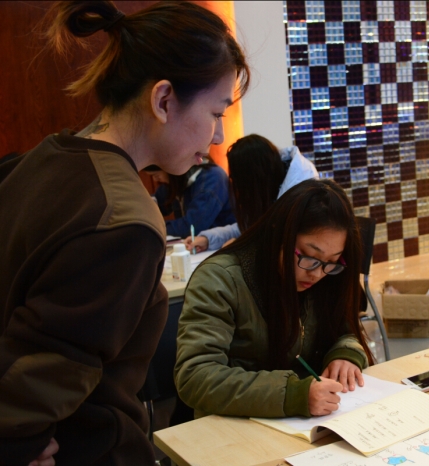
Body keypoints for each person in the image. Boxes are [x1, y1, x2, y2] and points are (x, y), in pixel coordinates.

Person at [0, 1, 248, 465]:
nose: (218, 136)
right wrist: (17, 444)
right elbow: (42, 375)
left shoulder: (44, 158)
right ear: (163, 100)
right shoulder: (124, 222)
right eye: (217, 113)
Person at [175, 179, 372, 418]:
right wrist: (292, 395)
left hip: (311, 421)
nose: (317, 273)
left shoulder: (328, 277)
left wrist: (345, 355)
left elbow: (347, 330)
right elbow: (195, 376)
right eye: (309, 257)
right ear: (280, 235)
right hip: (233, 425)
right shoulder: (221, 279)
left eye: (331, 262)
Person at [184, 134, 318, 253]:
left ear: (253, 180)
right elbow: (249, 227)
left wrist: (243, 246)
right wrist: (208, 239)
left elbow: (287, 245)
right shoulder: (272, 186)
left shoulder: (301, 196)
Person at [144, 161, 235, 238]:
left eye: (156, 175)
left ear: (171, 168)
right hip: (199, 245)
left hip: (221, 246)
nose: (155, 180)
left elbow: (192, 226)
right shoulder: (179, 180)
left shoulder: (211, 178)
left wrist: (152, 229)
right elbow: (156, 204)